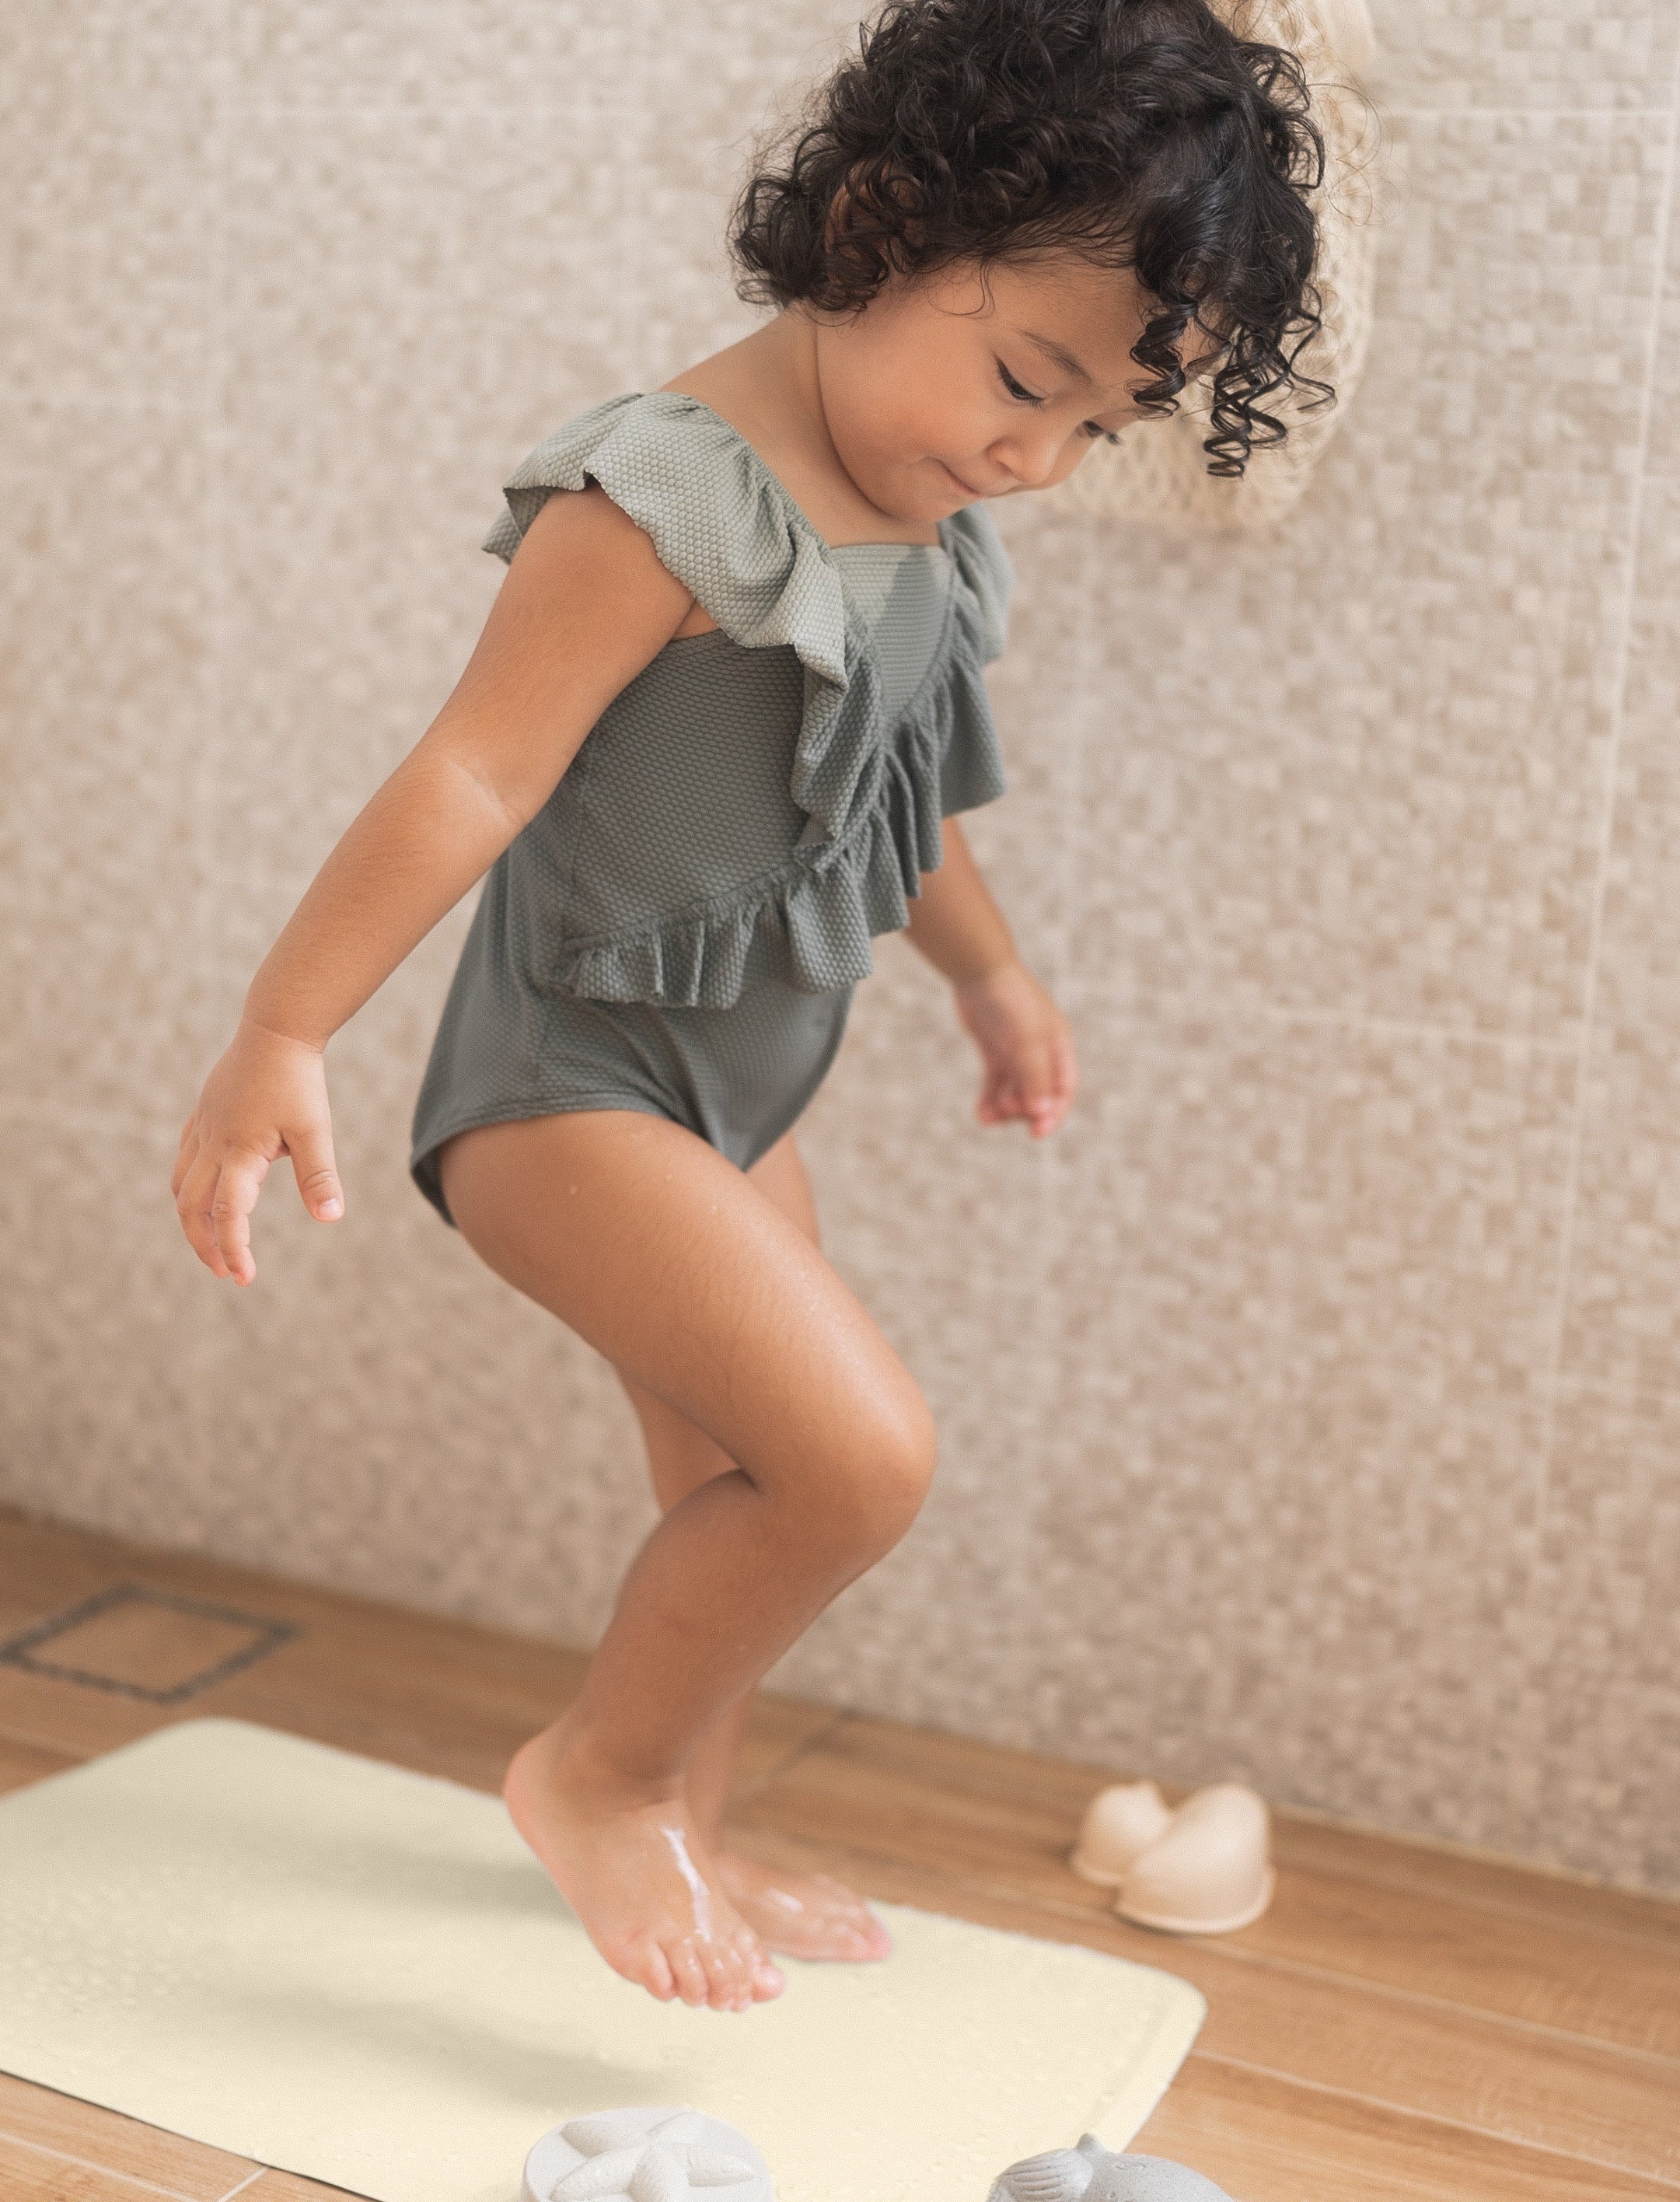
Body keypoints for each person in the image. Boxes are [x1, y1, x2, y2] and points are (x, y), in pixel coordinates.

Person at [171, 0, 1328, 2015]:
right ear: (876, 225)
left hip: (740, 1099)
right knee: (857, 1461)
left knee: (730, 1485)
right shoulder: (664, 497)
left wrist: (992, 976)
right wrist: (283, 1032)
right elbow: (474, 773)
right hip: (568, 1086)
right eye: (1025, 380)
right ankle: (602, 1781)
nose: (1035, 456)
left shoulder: (930, 520)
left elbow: (892, 798)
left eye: (1094, 429)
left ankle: (679, 1826)